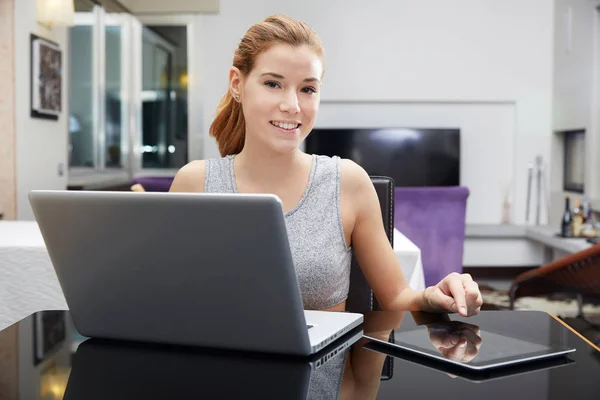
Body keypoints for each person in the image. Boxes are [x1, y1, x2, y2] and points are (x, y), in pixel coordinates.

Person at [169, 14, 483, 316]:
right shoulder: (194, 184)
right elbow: (167, 298)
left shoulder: (347, 182)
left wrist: (433, 294)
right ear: (237, 83)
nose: (292, 106)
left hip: (323, 370)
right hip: (220, 369)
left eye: (307, 89)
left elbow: (398, 297)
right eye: (273, 84)